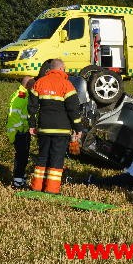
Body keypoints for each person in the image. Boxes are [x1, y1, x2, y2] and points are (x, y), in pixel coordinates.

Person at [27, 59, 85, 194]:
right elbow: (73, 109)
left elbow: (32, 108)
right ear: (61, 69)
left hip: (43, 128)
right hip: (61, 130)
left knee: (42, 157)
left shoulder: (39, 83)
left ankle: (36, 187)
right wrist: (78, 128)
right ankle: (51, 189)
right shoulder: (67, 84)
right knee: (56, 159)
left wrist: (32, 125)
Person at [6, 76, 34, 189]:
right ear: (28, 85)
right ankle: (17, 181)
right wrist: (20, 130)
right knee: (21, 157)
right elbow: (14, 115)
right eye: (34, 85)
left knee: (24, 156)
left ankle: (20, 178)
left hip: (22, 131)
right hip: (19, 132)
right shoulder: (21, 96)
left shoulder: (24, 95)